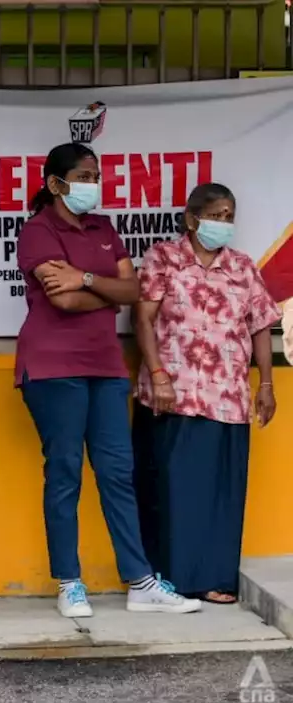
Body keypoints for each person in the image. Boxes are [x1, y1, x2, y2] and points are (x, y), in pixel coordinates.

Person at [13, 142, 201, 618]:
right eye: (83, 176)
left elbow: (135, 289)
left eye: (96, 175)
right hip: (53, 367)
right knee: (65, 474)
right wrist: (100, 288)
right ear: (56, 184)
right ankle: (69, 582)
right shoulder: (37, 231)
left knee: (118, 473)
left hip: (105, 366)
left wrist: (87, 280)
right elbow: (63, 301)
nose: (93, 184)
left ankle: (141, 581)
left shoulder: (104, 228)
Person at [134, 182, 280, 605]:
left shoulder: (242, 267)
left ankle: (215, 578)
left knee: (221, 493)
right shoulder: (164, 257)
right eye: (215, 215)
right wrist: (159, 374)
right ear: (191, 219)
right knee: (175, 491)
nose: (223, 223)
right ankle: (172, 579)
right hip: (172, 397)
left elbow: (260, 327)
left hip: (228, 398)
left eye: (229, 215)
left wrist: (265, 385)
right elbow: (143, 320)